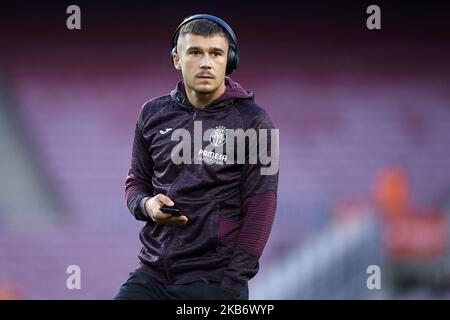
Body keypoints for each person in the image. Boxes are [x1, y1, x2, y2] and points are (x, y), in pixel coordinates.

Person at [114, 14, 279, 300]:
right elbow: (135, 182)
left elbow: (262, 207)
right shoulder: (151, 114)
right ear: (177, 59)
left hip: (213, 280)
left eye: (216, 53)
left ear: (229, 60)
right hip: (153, 272)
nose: (206, 62)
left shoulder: (255, 121)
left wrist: (231, 283)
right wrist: (147, 205)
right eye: (195, 52)